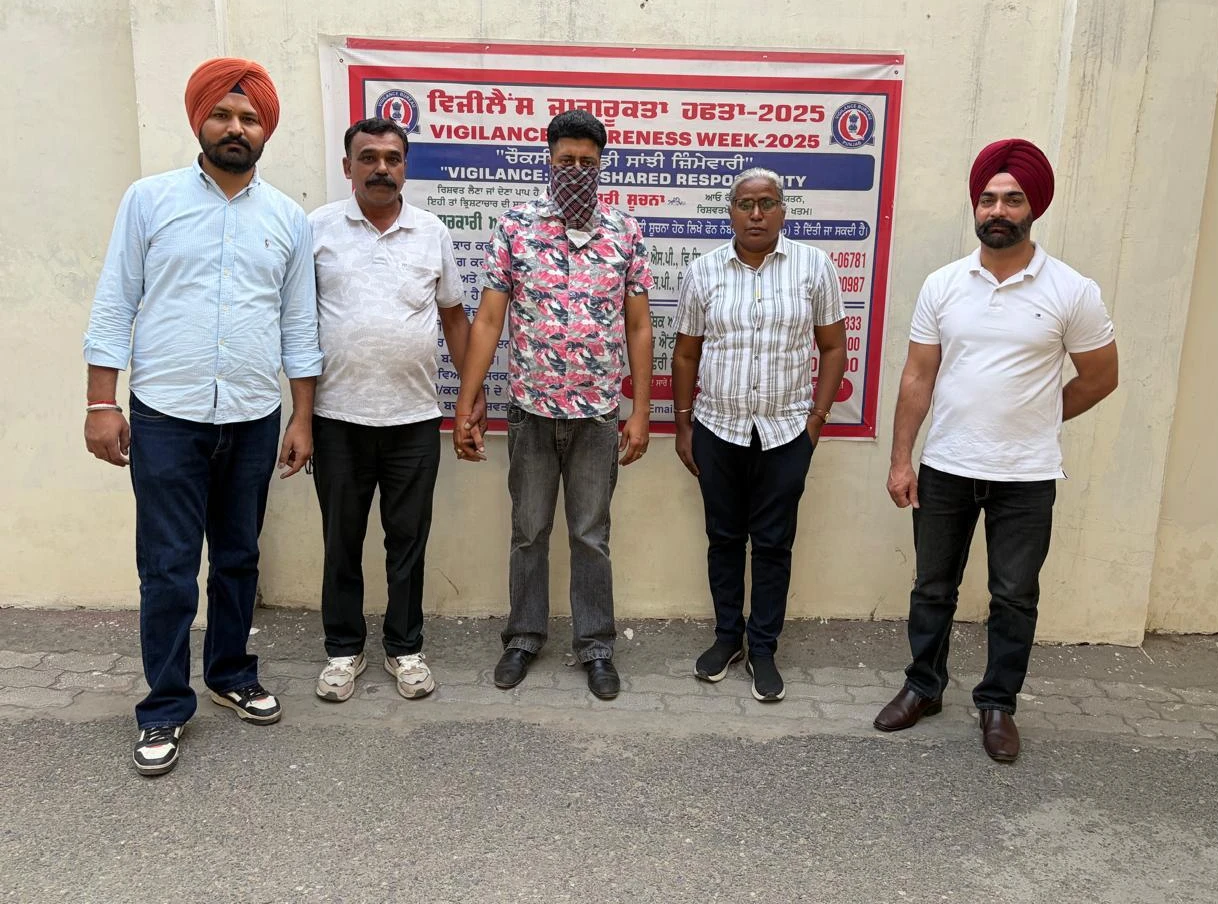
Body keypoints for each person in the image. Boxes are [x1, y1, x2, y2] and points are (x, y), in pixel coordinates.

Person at [83, 58, 323, 776]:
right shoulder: (149, 200)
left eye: (249, 118)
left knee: (239, 557)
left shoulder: (286, 219)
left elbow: (299, 326)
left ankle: (230, 673)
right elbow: (115, 303)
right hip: (166, 415)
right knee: (167, 568)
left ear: (265, 130)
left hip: (252, 415)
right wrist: (100, 403)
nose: (235, 127)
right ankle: (163, 705)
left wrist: (302, 417)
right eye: (223, 114)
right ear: (200, 121)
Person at [874, 139, 1119, 762]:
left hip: (1027, 474)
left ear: (1034, 206)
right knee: (933, 587)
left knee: (1014, 595)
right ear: (975, 207)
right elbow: (917, 376)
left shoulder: (1072, 290)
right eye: (988, 199)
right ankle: (923, 687)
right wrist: (902, 459)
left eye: (1012, 199)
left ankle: (997, 704)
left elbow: (1100, 377)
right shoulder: (944, 284)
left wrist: (1039, 416)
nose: (998, 210)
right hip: (947, 466)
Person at [453, 109, 653, 700]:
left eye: (588, 162)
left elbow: (639, 326)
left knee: (590, 535)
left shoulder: (625, 231)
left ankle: (596, 646)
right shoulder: (516, 227)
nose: (577, 171)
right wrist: (466, 403)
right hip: (530, 410)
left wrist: (640, 411)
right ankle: (523, 637)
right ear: (549, 160)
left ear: (602, 165)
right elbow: (489, 320)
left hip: (597, 415)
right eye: (566, 160)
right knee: (528, 531)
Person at [309, 118, 472, 703]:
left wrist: (471, 397)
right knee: (341, 541)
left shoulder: (431, 231)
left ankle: (405, 647)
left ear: (405, 166)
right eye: (368, 157)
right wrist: (300, 415)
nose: (381, 168)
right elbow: (297, 322)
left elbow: (453, 316)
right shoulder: (317, 229)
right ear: (348, 166)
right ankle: (342, 650)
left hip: (413, 419)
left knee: (407, 542)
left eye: (392, 158)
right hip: (336, 418)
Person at [671, 168, 845, 703]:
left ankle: (763, 647)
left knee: (773, 544)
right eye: (745, 204)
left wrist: (816, 420)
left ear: (783, 211)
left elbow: (833, 348)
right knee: (724, 539)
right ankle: (728, 637)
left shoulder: (815, 267)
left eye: (767, 203)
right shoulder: (703, 271)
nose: (756, 214)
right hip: (717, 428)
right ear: (730, 212)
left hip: (787, 431)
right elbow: (686, 353)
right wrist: (683, 423)